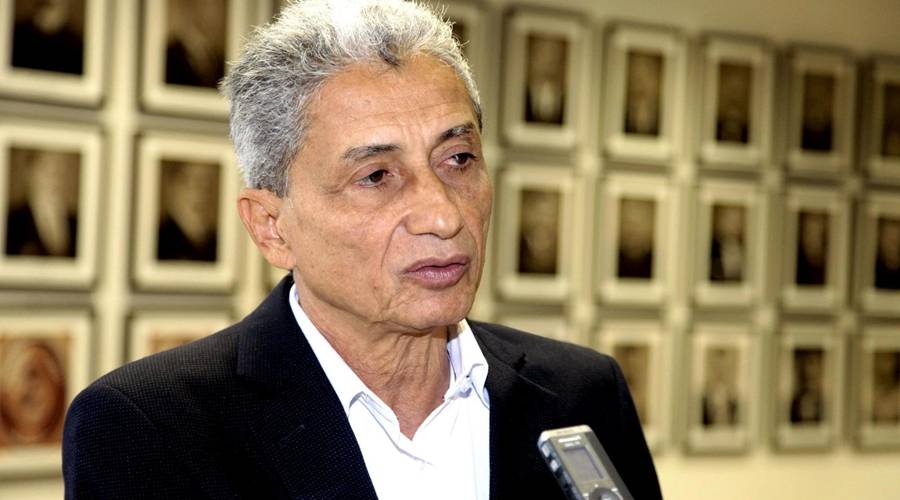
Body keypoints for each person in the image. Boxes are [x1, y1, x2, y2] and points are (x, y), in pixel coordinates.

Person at [62, 1, 661, 499]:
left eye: (458, 159)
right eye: (376, 176)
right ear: (271, 227)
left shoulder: (581, 393)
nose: (444, 215)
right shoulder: (150, 429)